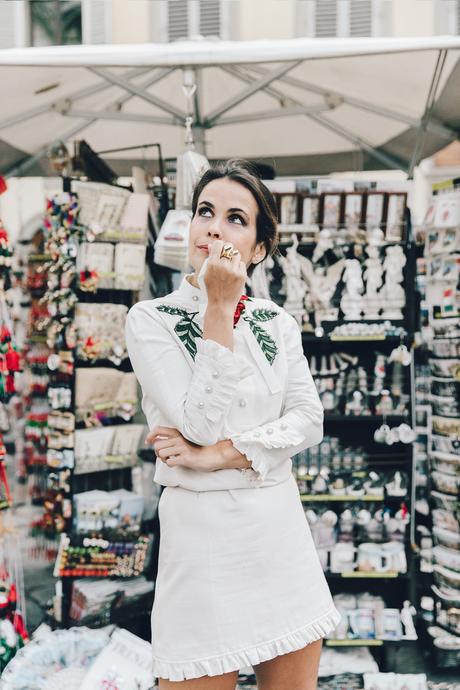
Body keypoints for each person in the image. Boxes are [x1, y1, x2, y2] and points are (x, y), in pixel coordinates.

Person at [125, 160, 340, 690]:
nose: (215, 227)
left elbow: (309, 419)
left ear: (259, 248)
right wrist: (219, 305)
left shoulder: (277, 322)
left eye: (236, 218)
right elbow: (198, 422)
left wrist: (218, 456)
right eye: (205, 212)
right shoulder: (150, 320)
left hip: (277, 531)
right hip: (201, 543)